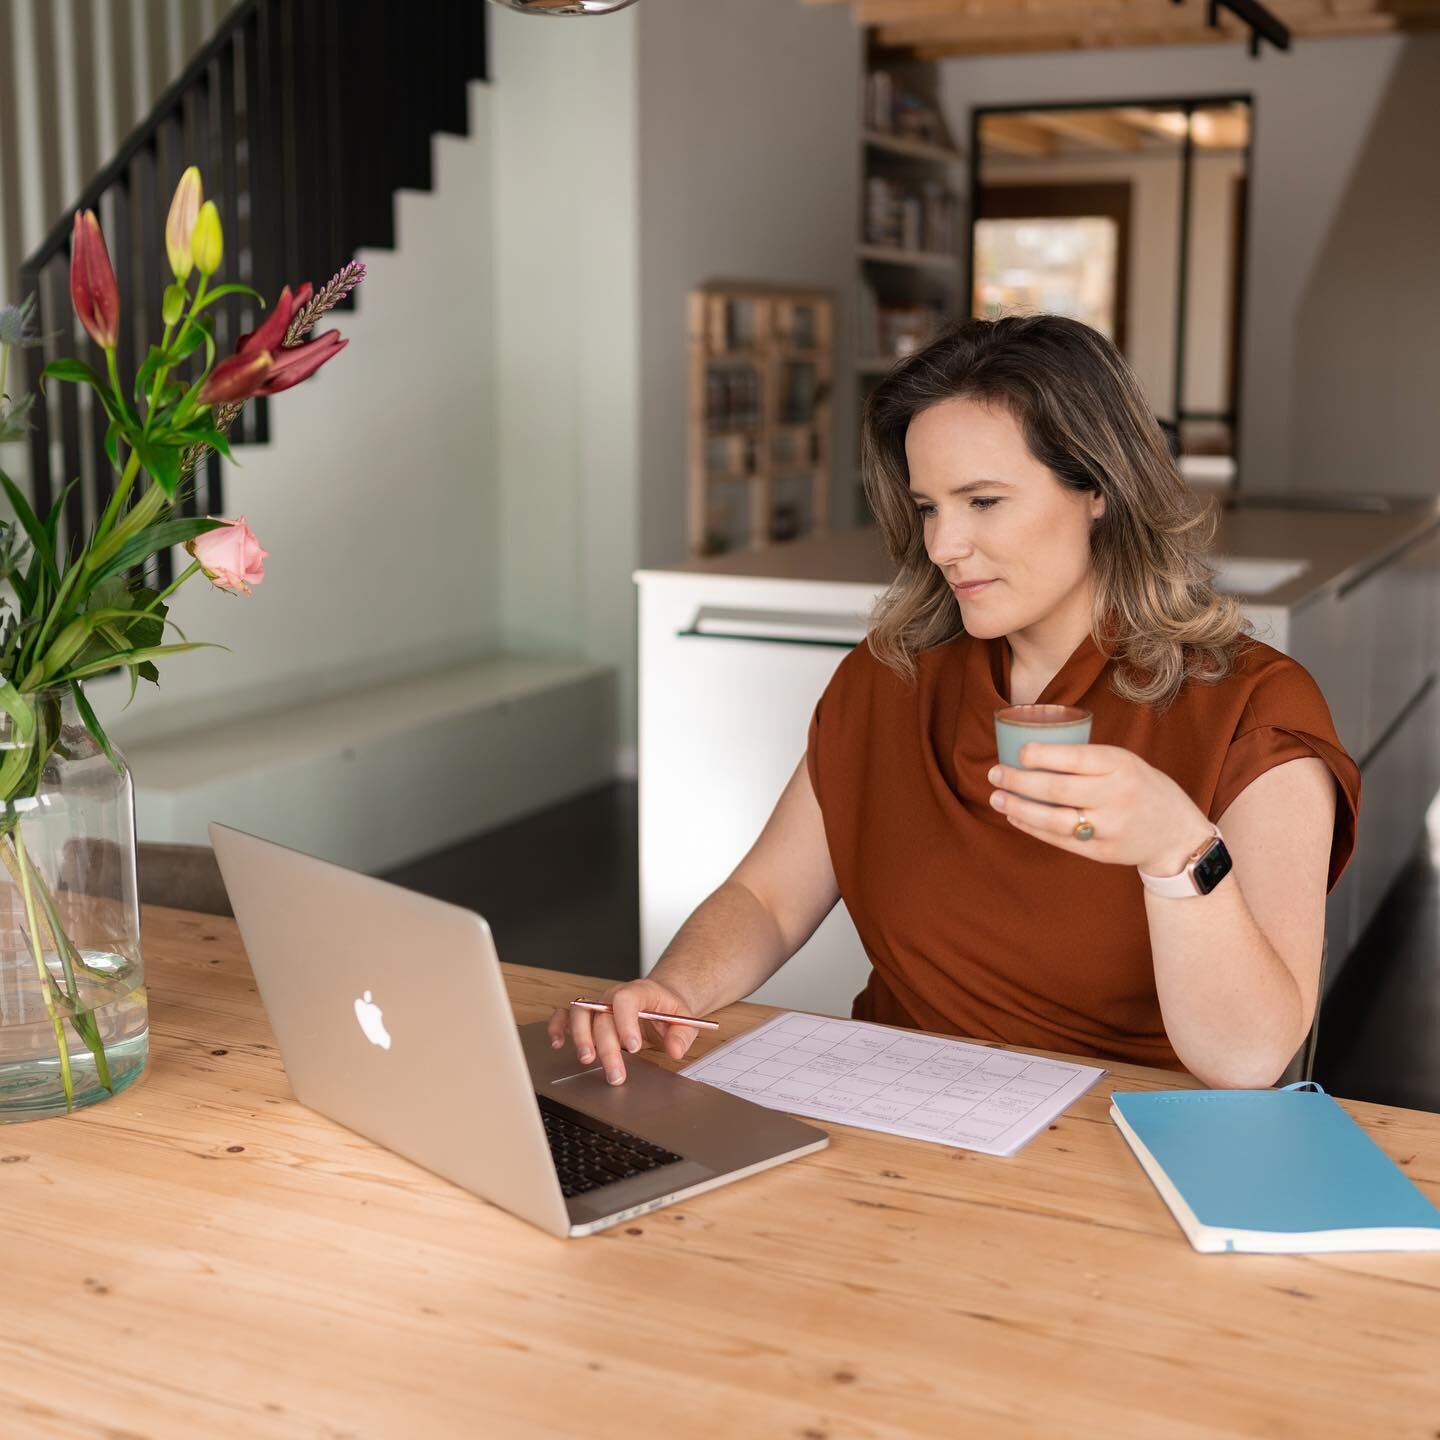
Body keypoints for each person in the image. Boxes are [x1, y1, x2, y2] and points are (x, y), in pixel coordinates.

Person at [549, 315, 1360, 1090]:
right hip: (894, 1113)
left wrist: (1178, 850)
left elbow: (1249, 1059)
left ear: (1099, 490)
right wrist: (678, 987)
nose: (943, 546)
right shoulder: (892, 676)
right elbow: (766, 897)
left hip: (1121, 1147)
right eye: (929, 506)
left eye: (983, 501)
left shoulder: (1256, 709)